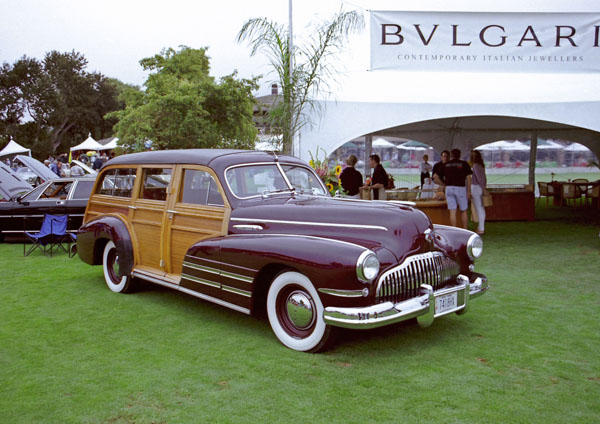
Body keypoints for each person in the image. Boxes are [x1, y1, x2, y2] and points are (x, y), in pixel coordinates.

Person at [437, 149, 472, 229]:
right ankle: (465, 229)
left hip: (449, 188)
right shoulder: (464, 164)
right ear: (459, 155)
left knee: (452, 212)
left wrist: (444, 184)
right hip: (460, 188)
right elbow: (469, 178)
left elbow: (435, 176)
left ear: (451, 156)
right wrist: (469, 191)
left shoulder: (446, 164)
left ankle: (454, 229)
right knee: (464, 211)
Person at [469, 150, 488, 235]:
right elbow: (483, 178)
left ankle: (481, 228)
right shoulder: (481, 165)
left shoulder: (476, 166)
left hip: (476, 187)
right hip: (479, 187)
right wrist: (484, 187)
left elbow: (479, 178)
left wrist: (483, 188)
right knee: (481, 208)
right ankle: (481, 227)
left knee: (479, 208)